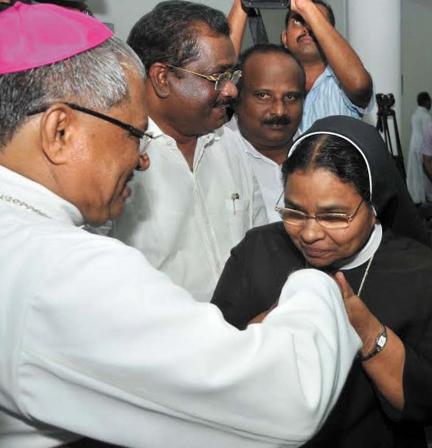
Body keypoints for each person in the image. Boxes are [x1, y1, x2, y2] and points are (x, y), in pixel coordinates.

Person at [0, 3, 359, 447]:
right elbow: (290, 396)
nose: (143, 156)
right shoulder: (61, 270)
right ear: (59, 131)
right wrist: (314, 286)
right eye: (132, 133)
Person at [212, 116, 432, 447]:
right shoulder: (257, 251)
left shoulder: (423, 272)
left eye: (334, 216)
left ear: (374, 206)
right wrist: (267, 328)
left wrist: (368, 333)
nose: (310, 233)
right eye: (294, 211)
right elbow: (213, 367)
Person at [111, 1, 267, 302]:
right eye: (216, 78)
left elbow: (260, 242)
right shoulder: (118, 157)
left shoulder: (230, 143)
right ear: (162, 78)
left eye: (232, 76)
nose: (231, 90)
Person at [229, 0, 372, 133]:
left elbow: (359, 85)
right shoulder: (266, 80)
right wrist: (240, 4)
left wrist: (305, 6)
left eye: (314, 21)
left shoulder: (341, 85)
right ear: (284, 38)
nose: (307, 28)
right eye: (298, 21)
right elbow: (222, 78)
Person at [225, 43, 305, 223]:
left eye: (290, 97)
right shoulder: (212, 154)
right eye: (263, 95)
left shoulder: (321, 155)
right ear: (236, 98)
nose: (279, 111)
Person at [406, 91, 432, 204]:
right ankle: (423, 198)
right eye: (430, 101)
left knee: (415, 174)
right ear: (426, 102)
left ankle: (415, 197)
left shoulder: (414, 115)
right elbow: (428, 134)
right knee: (423, 175)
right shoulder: (426, 116)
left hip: (414, 145)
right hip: (423, 146)